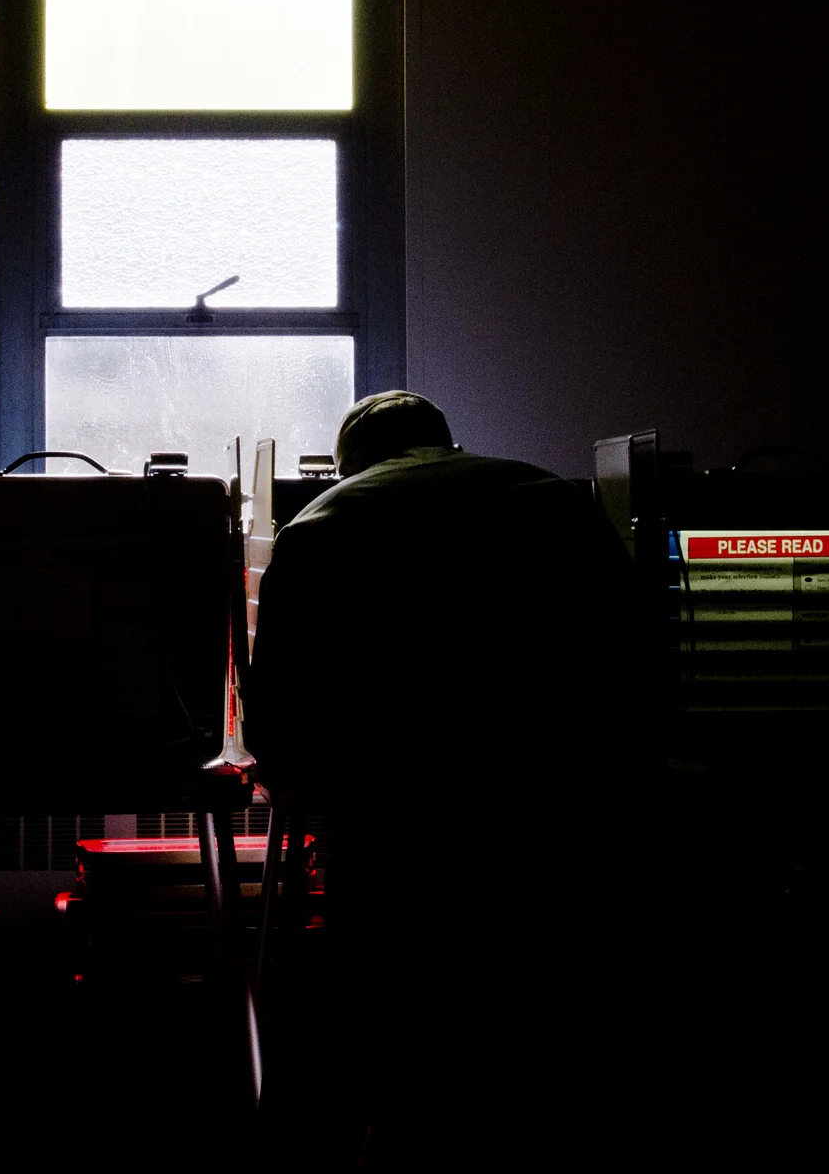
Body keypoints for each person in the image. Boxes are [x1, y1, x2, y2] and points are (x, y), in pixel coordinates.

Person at [247, 392, 659, 1168]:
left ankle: (400, 1152)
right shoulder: (554, 500)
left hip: (398, 816)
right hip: (557, 808)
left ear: (350, 463)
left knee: (400, 999)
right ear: (451, 443)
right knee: (541, 1009)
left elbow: (281, 716)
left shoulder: (323, 523)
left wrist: (298, 779)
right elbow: (636, 661)